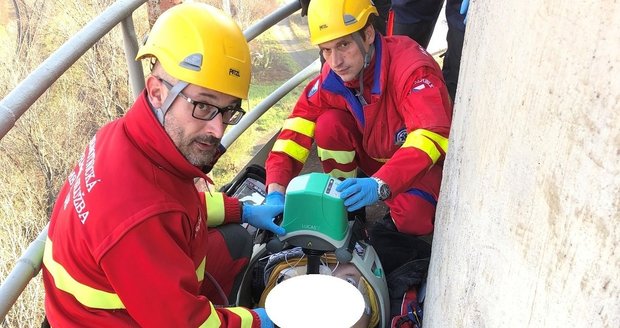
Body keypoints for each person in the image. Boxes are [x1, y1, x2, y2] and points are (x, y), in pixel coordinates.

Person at [41, 3, 284, 327]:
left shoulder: (126, 138)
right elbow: (186, 324)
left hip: (136, 293)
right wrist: (259, 321)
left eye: (228, 111)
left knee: (238, 240)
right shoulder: (138, 215)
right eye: (203, 106)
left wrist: (243, 211)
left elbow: (178, 204)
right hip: (116, 320)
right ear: (157, 92)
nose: (218, 129)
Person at [265, 0, 452, 241]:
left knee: (413, 218)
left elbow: (431, 135)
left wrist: (381, 184)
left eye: (343, 44)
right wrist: (275, 190)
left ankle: (392, 214)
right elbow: (295, 129)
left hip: (421, 166)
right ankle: (347, 206)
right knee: (329, 125)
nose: (336, 62)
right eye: (326, 50)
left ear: (369, 34)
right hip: (377, 160)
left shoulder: (411, 69)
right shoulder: (334, 79)